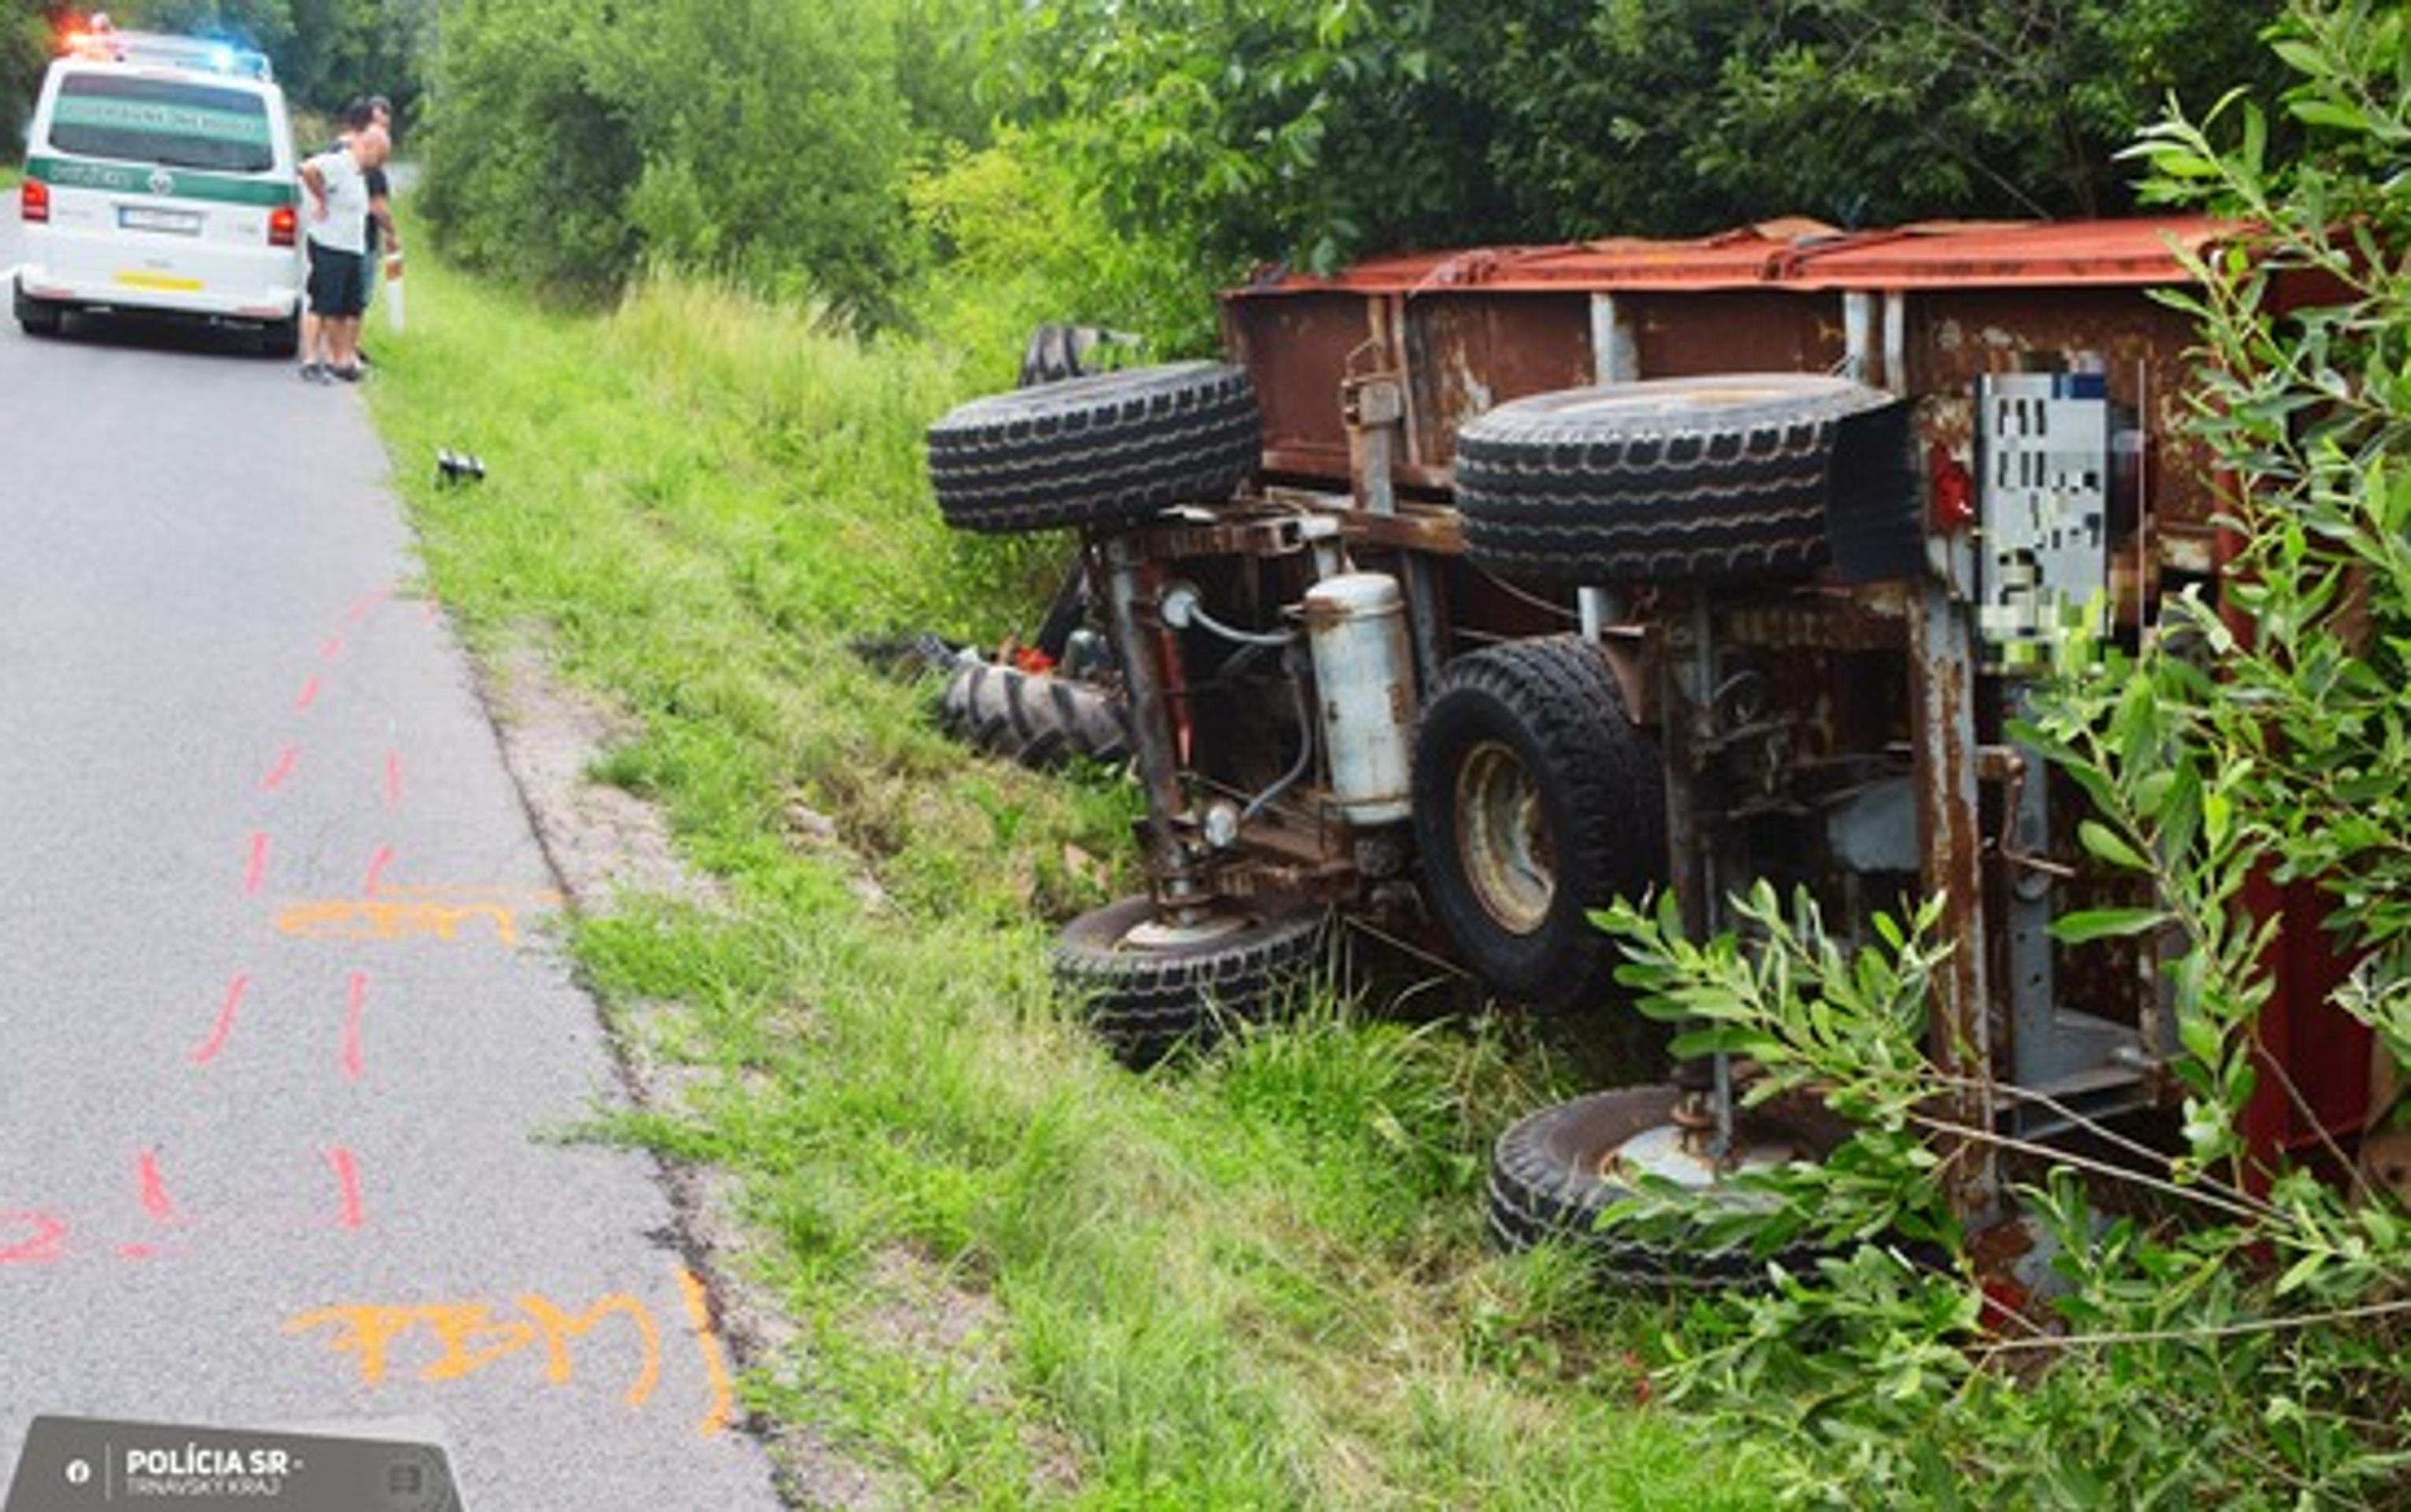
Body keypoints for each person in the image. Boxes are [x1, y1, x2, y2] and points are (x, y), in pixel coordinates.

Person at [297, 124, 389, 384]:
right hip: (330, 243)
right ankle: (312, 359)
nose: (380, 164)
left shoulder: (360, 174)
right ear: (368, 147)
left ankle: (343, 360)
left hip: (351, 247)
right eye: (380, 157)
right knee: (324, 303)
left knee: (349, 306)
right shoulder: (340, 163)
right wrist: (321, 199)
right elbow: (308, 169)